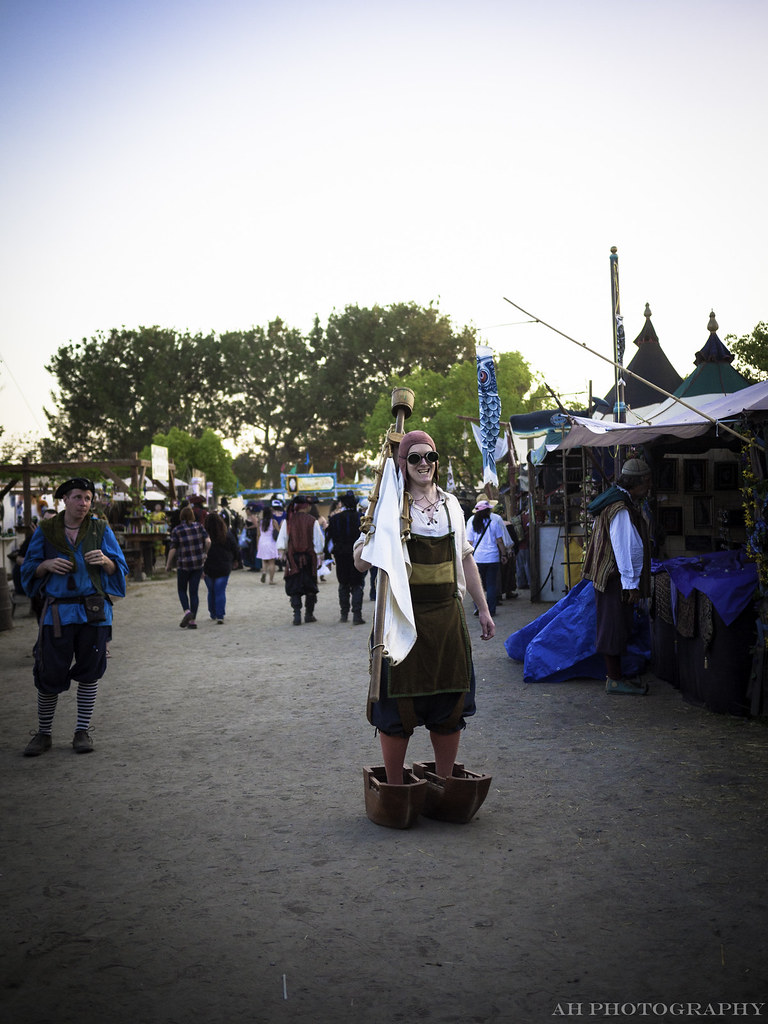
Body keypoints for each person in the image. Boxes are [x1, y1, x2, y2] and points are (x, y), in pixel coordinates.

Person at [354, 430, 495, 786]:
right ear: (403, 463)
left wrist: (483, 608)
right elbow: (359, 562)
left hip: (447, 621)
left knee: (450, 703)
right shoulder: (388, 507)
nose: (424, 464)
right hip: (400, 618)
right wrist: (376, 532)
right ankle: (397, 789)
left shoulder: (452, 506)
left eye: (430, 457)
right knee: (396, 706)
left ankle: (444, 782)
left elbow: (466, 559)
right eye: (414, 457)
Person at [20, 478, 129, 756]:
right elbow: (28, 568)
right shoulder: (46, 530)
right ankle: (44, 734)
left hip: (93, 611)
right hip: (57, 613)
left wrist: (105, 561)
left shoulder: (99, 529)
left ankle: (82, 731)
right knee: (48, 673)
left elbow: (119, 566)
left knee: (89, 672)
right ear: (65, 500)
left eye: (88, 498)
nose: (84, 503)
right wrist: (45, 565)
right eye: (78, 497)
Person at [581, 458, 653, 696]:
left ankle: (617, 676)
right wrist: (631, 584)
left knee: (617, 625)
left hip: (612, 576)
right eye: (647, 482)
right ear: (640, 482)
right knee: (613, 627)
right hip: (615, 577)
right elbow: (624, 548)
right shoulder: (620, 508)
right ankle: (614, 679)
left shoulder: (616, 501)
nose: (649, 487)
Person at [276, 494, 325, 624]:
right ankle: (308, 615)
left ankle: (297, 616)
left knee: (295, 588)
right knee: (310, 588)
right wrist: (320, 555)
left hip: (293, 559)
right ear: (306, 506)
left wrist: (282, 553)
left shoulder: (288, 521)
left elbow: (282, 541)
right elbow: (318, 541)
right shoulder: (312, 521)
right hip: (309, 559)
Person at [325, 490, 367, 624]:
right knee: (357, 583)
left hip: (340, 553)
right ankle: (357, 615)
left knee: (343, 583)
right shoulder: (361, 518)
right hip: (357, 553)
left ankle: (344, 614)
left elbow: (329, 538)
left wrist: (328, 555)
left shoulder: (335, 518)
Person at [465, 499, 513, 616]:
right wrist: (504, 555)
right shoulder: (493, 523)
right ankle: (491, 609)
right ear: (487, 511)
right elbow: (500, 541)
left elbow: (469, 542)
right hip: (492, 558)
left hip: (477, 558)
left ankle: (479, 608)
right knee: (491, 584)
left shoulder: (472, 522)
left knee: (478, 584)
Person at [166, 506, 210, 629]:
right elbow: (208, 542)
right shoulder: (199, 527)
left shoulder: (177, 530)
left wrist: (168, 564)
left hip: (183, 564)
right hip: (197, 564)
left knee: (181, 590)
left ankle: (187, 612)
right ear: (192, 516)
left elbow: (173, 548)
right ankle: (192, 621)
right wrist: (205, 553)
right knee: (194, 592)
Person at [202, 511, 240, 623]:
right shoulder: (226, 534)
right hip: (224, 565)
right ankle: (220, 615)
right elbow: (235, 548)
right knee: (220, 591)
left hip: (208, 566)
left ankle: (212, 612)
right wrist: (236, 560)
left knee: (211, 590)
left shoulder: (204, 536)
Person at [256, 504, 279, 584]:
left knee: (264, 560)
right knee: (272, 562)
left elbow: (258, 534)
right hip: (271, 542)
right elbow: (278, 531)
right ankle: (271, 580)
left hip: (262, 541)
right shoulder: (273, 521)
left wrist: (257, 544)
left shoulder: (260, 522)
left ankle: (264, 572)